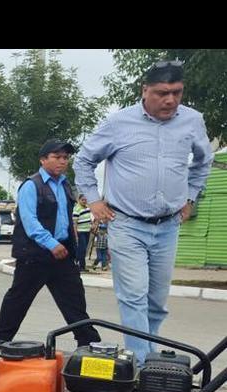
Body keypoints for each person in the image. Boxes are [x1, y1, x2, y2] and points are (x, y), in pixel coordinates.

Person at [74, 60, 214, 364]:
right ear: (145, 91)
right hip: (126, 223)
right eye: (162, 93)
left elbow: (203, 162)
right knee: (134, 296)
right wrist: (94, 200)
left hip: (168, 225)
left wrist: (190, 196)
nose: (170, 100)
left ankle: (146, 356)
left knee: (157, 301)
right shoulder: (118, 123)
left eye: (177, 92)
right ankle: (141, 363)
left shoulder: (192, 121)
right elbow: (84, 160)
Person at [0, 140, 101, 349]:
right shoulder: (31, 186)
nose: (62, 162)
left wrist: (70, 243)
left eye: (65, 158)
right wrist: (51, 243)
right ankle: (3, 338)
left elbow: (67, 218)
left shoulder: (65, 185)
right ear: (43, 160)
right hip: (35, 254)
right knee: (20, 297)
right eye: (57, 157)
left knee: (74, 299)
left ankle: (87, 341)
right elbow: (29, 220)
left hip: (62, 253)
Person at [72, 194, 92, 270]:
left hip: (87, 231)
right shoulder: (77, 209)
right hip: (80, 231)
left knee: (84, 249)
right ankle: (81, 266)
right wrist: (76, 235)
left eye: (85, 200)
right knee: (82, 249)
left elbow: (90, 218)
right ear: (79, 200)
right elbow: (74, 223)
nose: (84, 201)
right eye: (82, 200)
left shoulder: (87, 208)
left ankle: (76, 262)